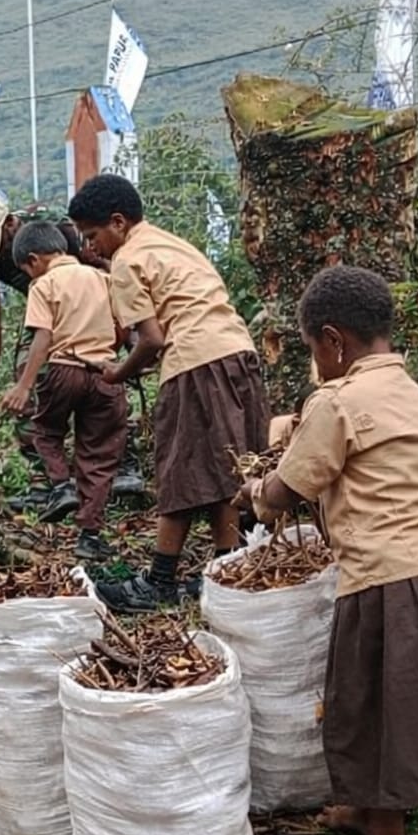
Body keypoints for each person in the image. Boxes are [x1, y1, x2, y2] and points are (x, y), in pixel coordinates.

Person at [238, 266, 418, 835]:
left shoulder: (337, 400)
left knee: (370, 707)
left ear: (332, 341)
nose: (316, 361)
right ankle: (368, 810)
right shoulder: (415, 396)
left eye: (314, 349)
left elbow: (288, 490)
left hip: (382, 577)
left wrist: (255, 492)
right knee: (415, 700)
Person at [69, 174, 270, 612]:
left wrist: (117, 373)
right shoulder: (170, 244)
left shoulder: (126, 261)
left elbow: (153, 339)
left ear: (117, 223)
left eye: (92, 236)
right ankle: (227, 567)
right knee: (225, 470)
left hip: (195, 362)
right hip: (237, 354)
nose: (91, 248)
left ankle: (159, 580)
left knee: (179, 470)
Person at [0, 191, 144, 508]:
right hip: (45, 310)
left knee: (104, 371)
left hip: (94, 301)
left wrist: (131, 341)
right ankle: (48, 482)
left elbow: (111, 275)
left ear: (10, 223)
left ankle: (124, 464)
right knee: (25, 378)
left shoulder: (59, 227)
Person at [0, 222, 128, 561]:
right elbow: (122, 327)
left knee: (45, 432)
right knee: (98, 454)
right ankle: (90, 534)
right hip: (105, 374)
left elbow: (42, 337)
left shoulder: (44, 285)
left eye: (27, 270)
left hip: (64, 370)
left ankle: (61, 486)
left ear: (34, 260)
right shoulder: (103, 278)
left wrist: (24, 386)